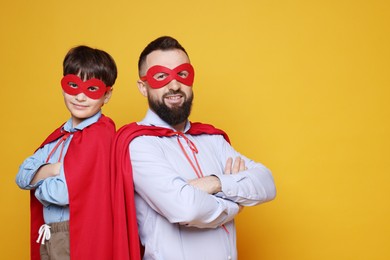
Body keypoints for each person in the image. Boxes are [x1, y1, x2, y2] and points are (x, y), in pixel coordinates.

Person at [112, 36, 276, 260]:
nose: (174, 85)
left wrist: (215, 182)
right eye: (161, 77)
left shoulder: (212, 139)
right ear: (143, 87)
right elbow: (186, 208)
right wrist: (236, 203)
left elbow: (266, 182)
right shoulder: (139, 144)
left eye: (182, 74)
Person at [16, 45, 117, 260]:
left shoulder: (99, 136)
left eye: (92, 89)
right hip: (49, 233)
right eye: (73, 86)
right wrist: (53, 169)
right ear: (63, 87)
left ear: (107, 95)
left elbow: (62, 194)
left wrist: (39, 185)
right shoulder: (59, 138)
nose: (80, 97)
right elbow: (21, 176)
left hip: (76, 234)